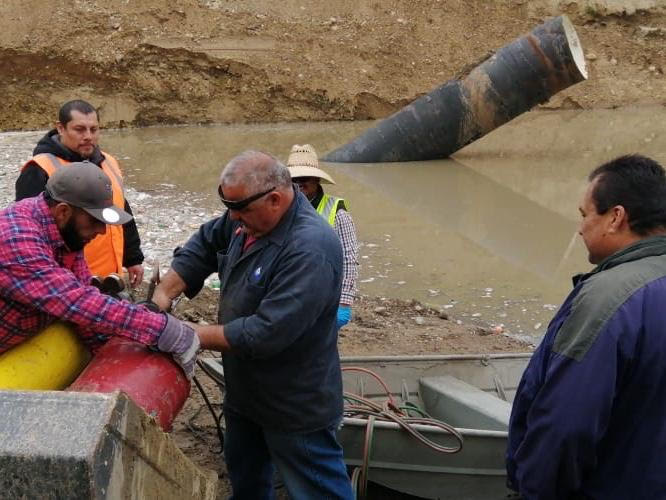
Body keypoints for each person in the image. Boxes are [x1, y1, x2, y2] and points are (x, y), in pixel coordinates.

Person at [152, 151, 353, 499]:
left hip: (293, 403)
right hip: (245, 392)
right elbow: (204, 243)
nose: (232, 217)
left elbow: (265, 332)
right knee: (246, 480)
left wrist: (186, 334)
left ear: (275, 198)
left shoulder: (310, 249)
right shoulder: (248, 215)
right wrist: (163, 295)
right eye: (229, 207)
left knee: (319, 488)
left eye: (239, 209)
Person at [506, 154, 666, 499]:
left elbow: (566, 426)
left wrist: (535, 490)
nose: (580, 228)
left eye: (584, 214)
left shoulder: (608, 299)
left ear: (615, 217)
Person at [0, 162, 199, 379]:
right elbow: (76, 301)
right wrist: (161, 329)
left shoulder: (63, 230)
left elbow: (84, 294)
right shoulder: (15, 238)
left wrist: (107, 352)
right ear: (63, 211)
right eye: (95, 221)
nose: (102, 230)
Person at [15, 99, 145, 286]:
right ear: (61, 128)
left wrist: (133, 258)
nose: (88, 136)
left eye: (94, 129)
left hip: (109, 276)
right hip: (66, 280)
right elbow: (30, 230)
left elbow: (120, 208)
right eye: (80, 129)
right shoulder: (40, 168)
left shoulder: (109, 162)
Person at [286, 144, 358, 331]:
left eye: (305, 178)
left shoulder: (338, 213)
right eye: (294, 178)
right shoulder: (279, 210)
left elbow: (349, 259)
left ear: (317, 179)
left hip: (325, 297)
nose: (299, 183)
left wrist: (344, 302)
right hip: (290, 295)